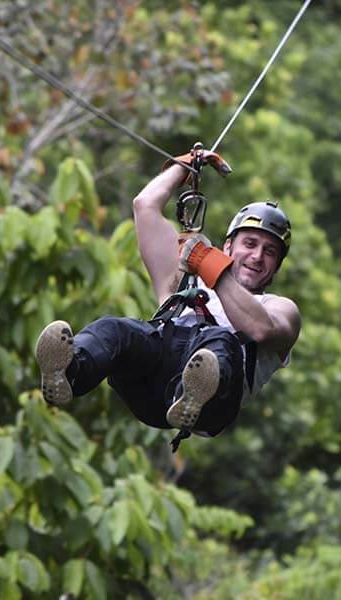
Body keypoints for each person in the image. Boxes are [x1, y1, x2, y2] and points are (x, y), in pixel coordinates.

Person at [34, 148, 301, 449]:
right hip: (151, 384)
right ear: (228, 246)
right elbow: (145, 205)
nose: (257, 256)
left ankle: (189, 396)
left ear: (276, 266)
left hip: (212, 405)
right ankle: (69, 373)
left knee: (218, 342)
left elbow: (261, 328)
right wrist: (183, 166)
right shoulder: (185, 278)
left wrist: (210, 264)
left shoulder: (279, 308)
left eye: (270, 252)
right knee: (116, 329)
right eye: (250, 244)